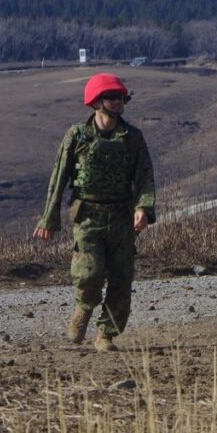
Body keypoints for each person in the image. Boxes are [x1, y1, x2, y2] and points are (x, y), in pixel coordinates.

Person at [33, 72, 156, 352]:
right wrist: (49, 218)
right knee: (89, 273)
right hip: (88, 216)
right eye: (112, 98)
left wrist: (143, 208)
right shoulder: (77, 135)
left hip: (122, 217)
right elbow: (59, 177)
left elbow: (145, 177)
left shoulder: (133, 138)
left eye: (121, 98)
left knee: (121, 279)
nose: (118, 102)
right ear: (96, 102)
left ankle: (106, 335)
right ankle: (84, 308)